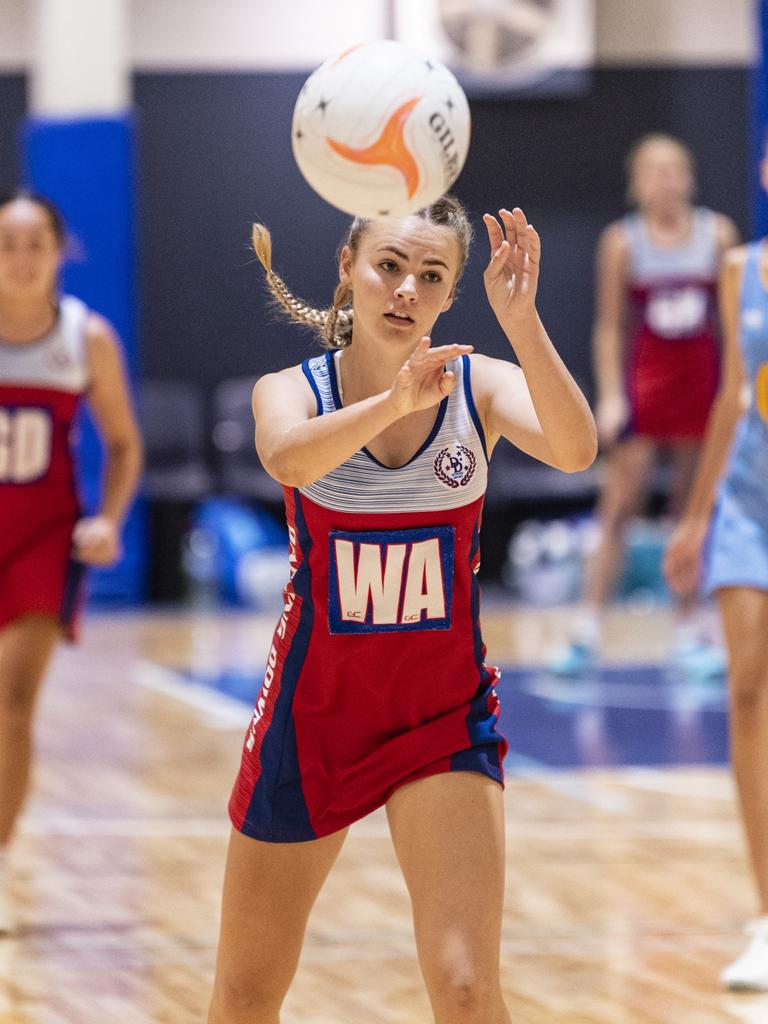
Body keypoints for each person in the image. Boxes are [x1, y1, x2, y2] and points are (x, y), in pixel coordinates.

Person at [207, 195, 596, 1024]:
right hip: (313, 719)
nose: (405, 291)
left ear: (452, 294)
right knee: (244, 996)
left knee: (462, 986)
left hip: (439, 717)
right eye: (388, 266)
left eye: (430, 276)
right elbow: (283, 456)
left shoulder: (478, 389)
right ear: (348, 266)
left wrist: (522, 323)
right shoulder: (293, 391)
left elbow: (575, 449)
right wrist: (392, 406)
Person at [0, 190, 142, 933]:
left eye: (35, 244)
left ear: (60, 252)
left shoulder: (88, 337)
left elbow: (123, 444)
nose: (21, 258)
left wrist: (109, 519)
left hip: (39, 540)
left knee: (13, 707)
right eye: (8, 244)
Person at [551, 133, 739, 677]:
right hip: (645, 389)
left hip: (700, 388)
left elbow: (728, 325)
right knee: (619, 508)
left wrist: (736, 393)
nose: (665, 181)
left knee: (690, 510)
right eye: (653, 171)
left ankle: (688, 628)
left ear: (690, 177)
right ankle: (585, 628)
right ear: (637, 183)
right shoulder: (623, 241)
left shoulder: (717, 233)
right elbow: (611, 325)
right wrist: (610, 396)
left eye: (674, 169)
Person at [664, 144, 768, 989]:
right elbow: (734, 395)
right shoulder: (741, 269)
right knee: (746, 693)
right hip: (748, 506)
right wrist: (697, 518)